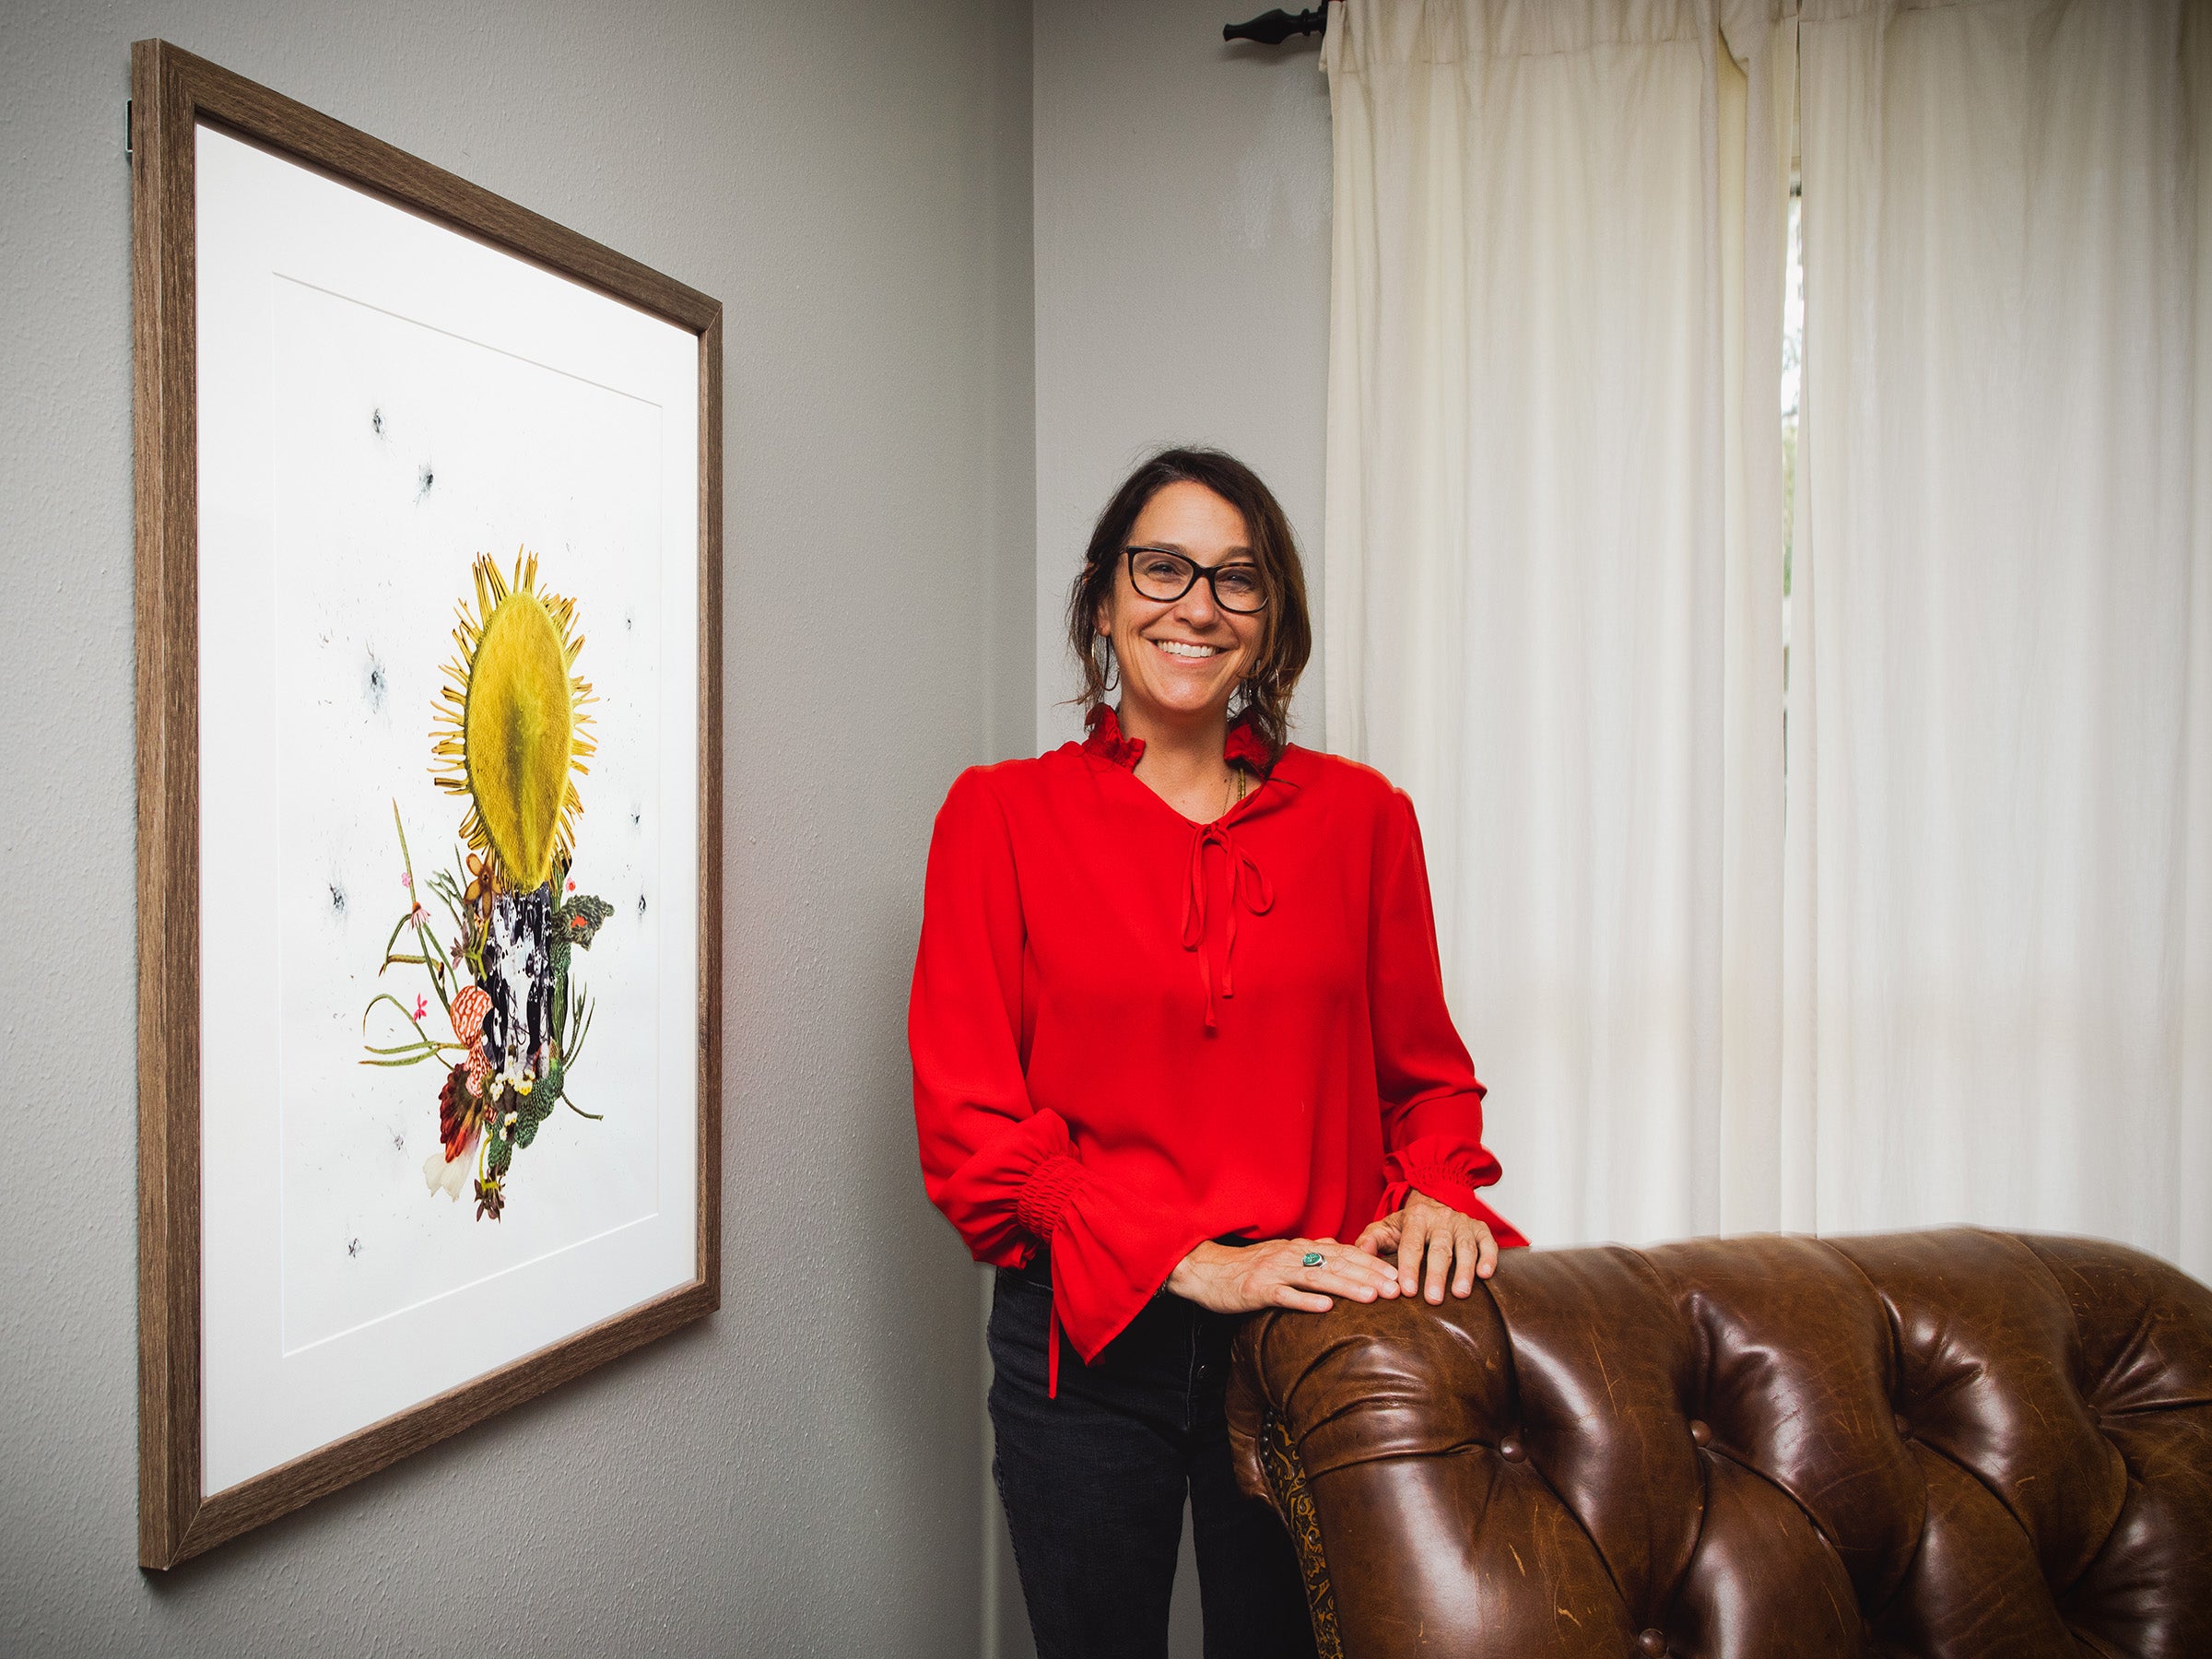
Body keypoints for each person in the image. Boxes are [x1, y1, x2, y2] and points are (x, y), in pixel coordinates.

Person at [909, 447, 1524, 1658]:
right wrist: (1194, 1260)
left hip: (1311, 1341)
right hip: (1080, 1349)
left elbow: (1427, 1080)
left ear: (1271, 620)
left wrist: (1443, 1188)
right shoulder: (999, 817)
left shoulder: (1365, 822)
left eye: (1237, 579)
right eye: (1163, 568)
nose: (1198, 604)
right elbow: (972, 1132)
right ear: (1101, 600)